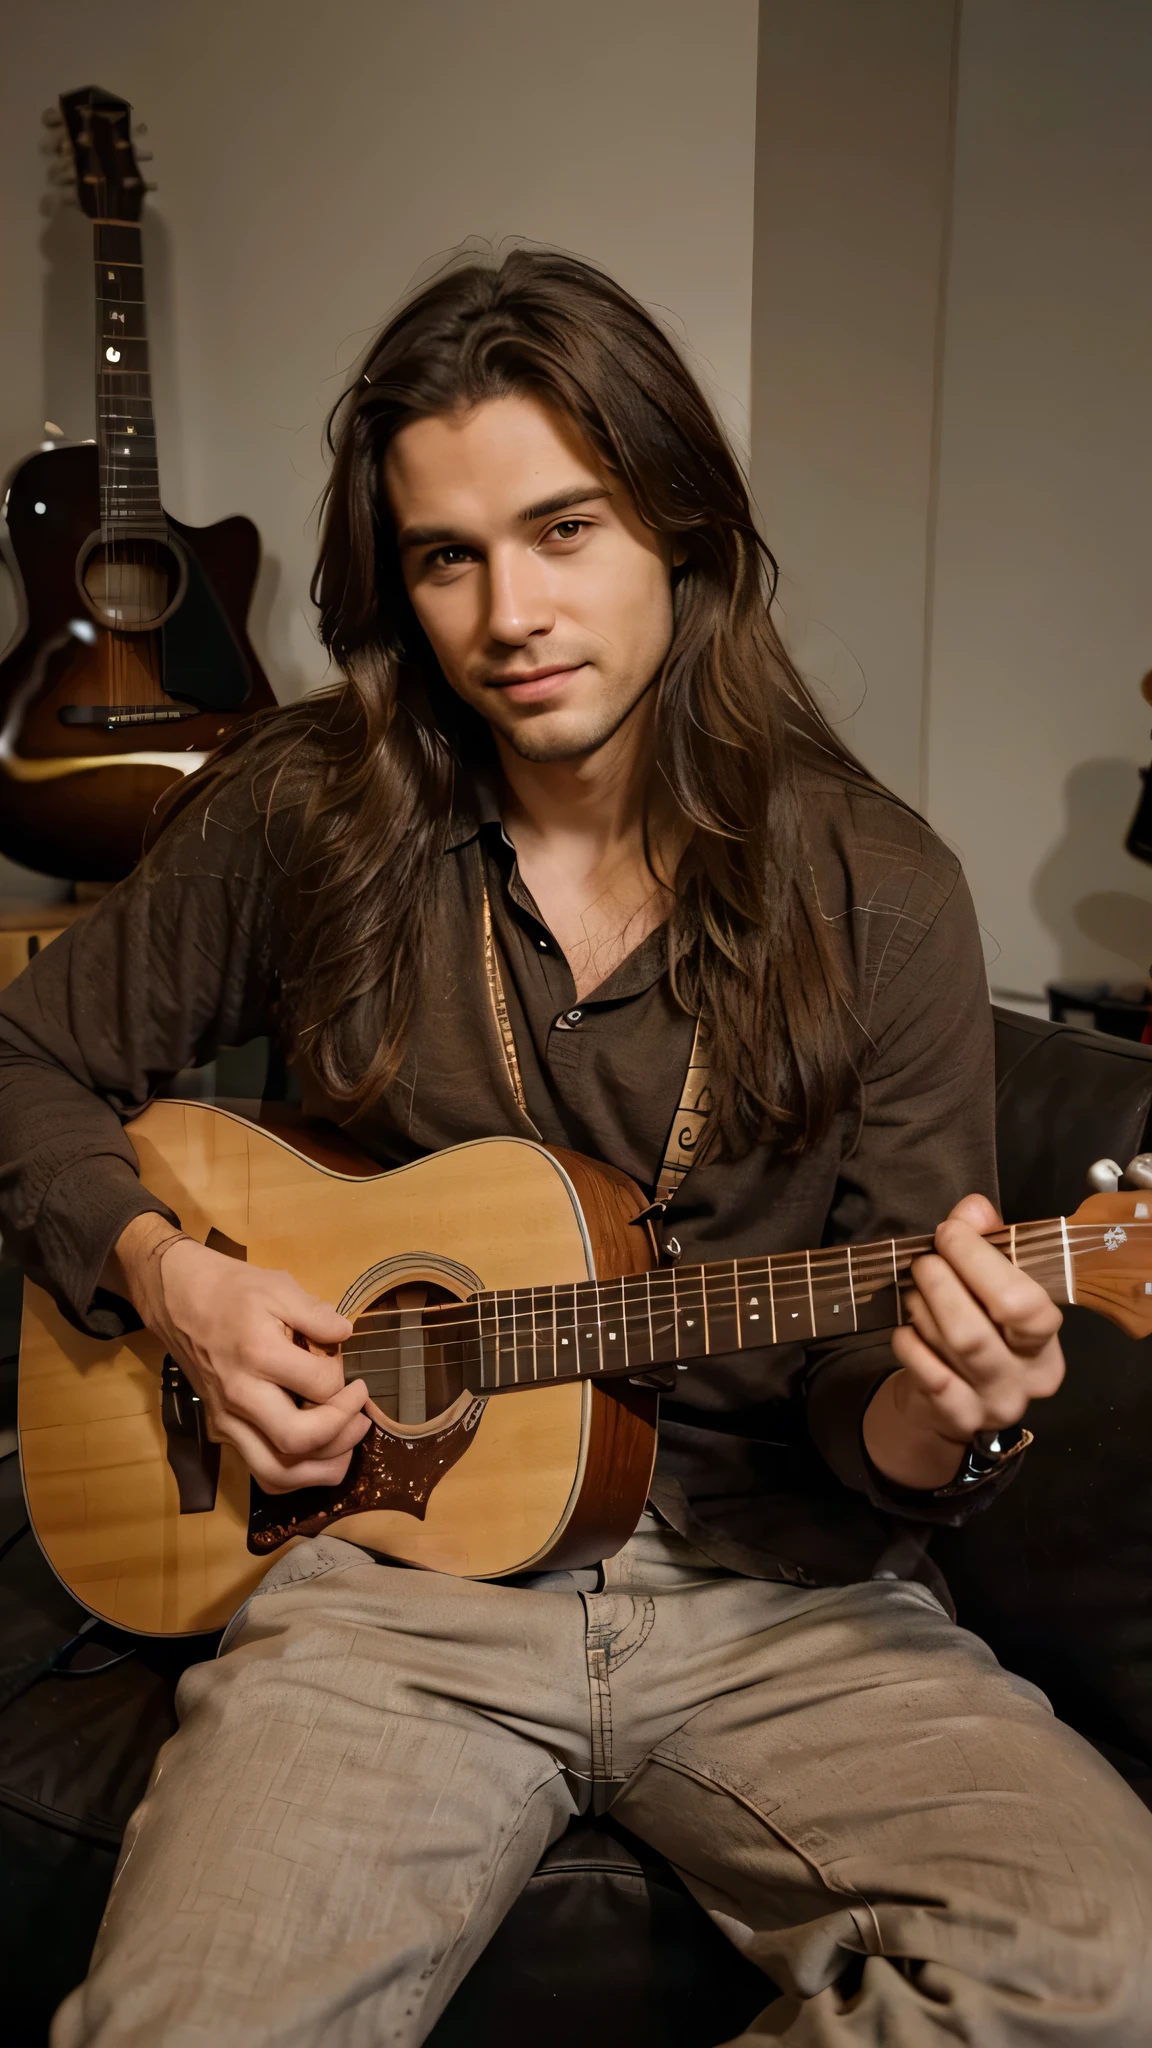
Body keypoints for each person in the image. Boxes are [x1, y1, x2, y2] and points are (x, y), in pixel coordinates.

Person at [1, 250, 1149, 2047]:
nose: (508, 612)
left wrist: (939, 1412)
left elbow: (881, 1391)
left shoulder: (882, 888)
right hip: (384, 1585)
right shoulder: (308, 811)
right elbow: (24, 1062)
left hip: (782, 1592)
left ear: (679, 529)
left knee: (1111, 1967)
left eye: (565, 530)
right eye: (449, 557)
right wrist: (173, 1285)